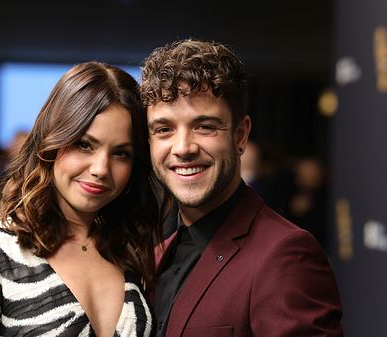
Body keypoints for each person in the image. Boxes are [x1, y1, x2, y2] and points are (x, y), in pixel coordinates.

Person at [0, 62, 159, 337]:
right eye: (84, 144)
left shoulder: (134, 252)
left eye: (121, 153)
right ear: (50, 143)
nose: (101, 168)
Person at [140, 39, 343, 337]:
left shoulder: (285, 255)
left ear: (240, 136)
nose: (183, 148)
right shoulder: (156, 249)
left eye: (205, 126)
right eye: (164, 129)